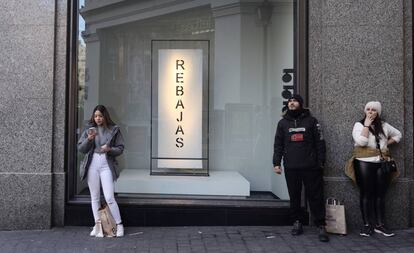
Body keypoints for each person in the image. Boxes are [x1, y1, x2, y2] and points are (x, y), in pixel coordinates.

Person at [273, 94, 329, 242]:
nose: (291, 103)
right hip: (291, 166)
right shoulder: (282, 123)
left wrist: (321, 161)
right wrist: (276, 163)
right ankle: (297, 222)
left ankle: (321, 225)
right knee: (294, 196)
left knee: (315, 196)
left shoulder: (312, 121)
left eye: (295, 101)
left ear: (301, 104)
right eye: (290, 101)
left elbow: (320, 143)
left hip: (311, 167)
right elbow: (278, 144)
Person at [348, 101, 401, 237]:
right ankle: (367, 225)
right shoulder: (358, 125)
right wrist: (366, 125)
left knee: (381, 194)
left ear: (378, 112)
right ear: (365, 111)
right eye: (368, 109)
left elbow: (398, 135)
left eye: (374, 110)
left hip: (382, 163)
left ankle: (380, 225)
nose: (370, 111)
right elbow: (362, 142)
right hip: (363, 163)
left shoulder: (384, 125)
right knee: (366, 193)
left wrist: (384, 145)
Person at [78, 105, 125, 237]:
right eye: (96, 116)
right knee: (94, 197)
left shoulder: (113, 130)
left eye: (100, 116)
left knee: (109, 197)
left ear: (105, 116)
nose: (98, 118)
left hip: (106, 165)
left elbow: (120, 148)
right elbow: (81, 148)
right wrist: (89, 139)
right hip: (92, 164)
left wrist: (109, 149)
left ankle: (119, 224)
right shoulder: (89, 129)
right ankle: (97, 225)